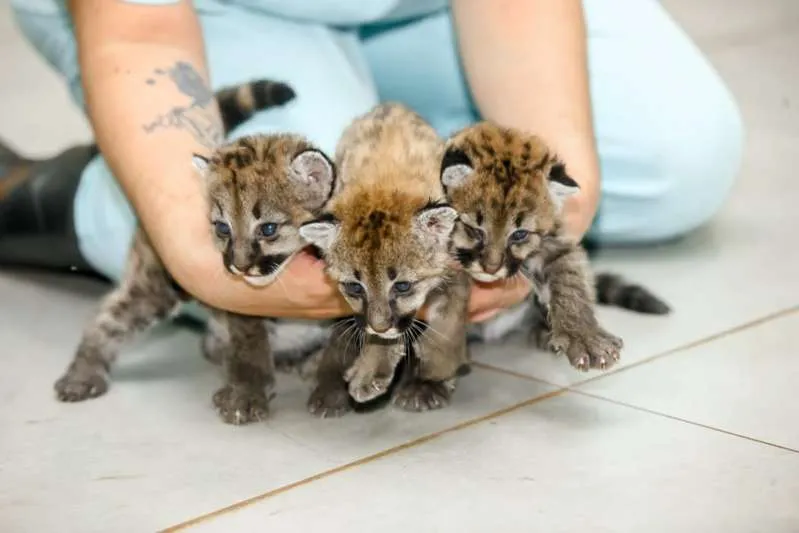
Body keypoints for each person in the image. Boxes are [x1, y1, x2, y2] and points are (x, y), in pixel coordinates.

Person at [0, 0, 742, 323]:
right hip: (183, 13)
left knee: (677, 157)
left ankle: (371, 127)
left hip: (417, 13)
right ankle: (86, 194)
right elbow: (140, 30)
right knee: (290, 238)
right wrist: (198, 257)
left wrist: (540, 198)